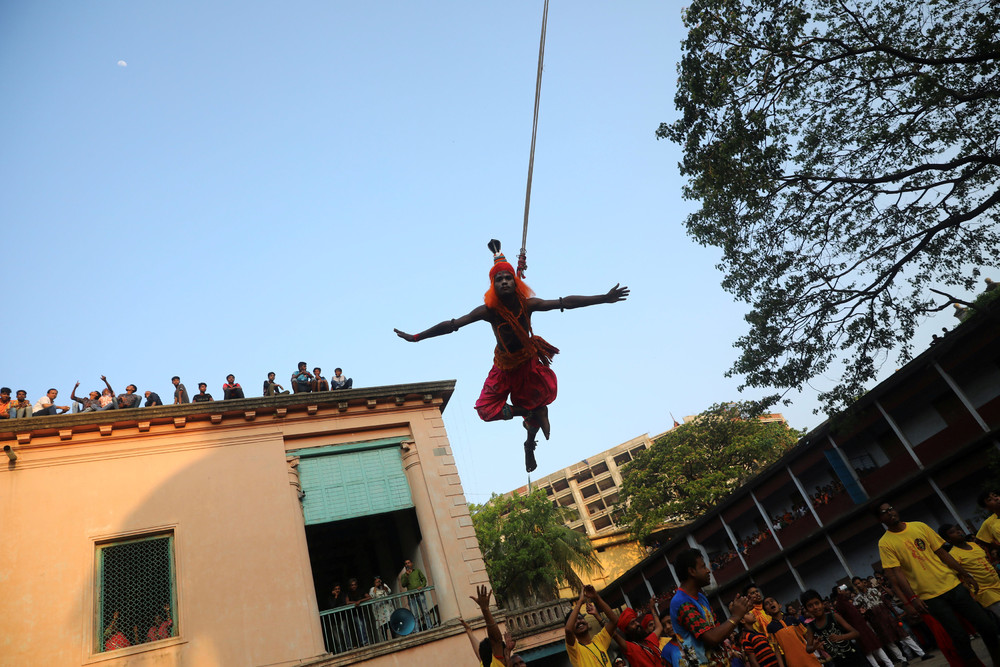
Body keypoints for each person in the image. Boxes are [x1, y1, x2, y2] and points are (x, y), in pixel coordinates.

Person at [395, 239, 629, 473]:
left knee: (536, 403)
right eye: (499, 279)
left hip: (527, 363)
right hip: (504, 367)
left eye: (508, 278)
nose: (505, 282)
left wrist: (603, 298)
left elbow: (564, 302)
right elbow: (452, 325)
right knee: (486, 410)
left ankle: (529, 444)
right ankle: (530, 412)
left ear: (514, 282)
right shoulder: (489, 312)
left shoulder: (527, 305)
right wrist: (417, 337)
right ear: (493, 285)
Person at [876, 501, 1000, 667]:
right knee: (959, 637)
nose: (890, 513)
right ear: (880, 519)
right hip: (931, 597)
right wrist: (911, 599)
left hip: (953, 585)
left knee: (987, 626)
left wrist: (965, 574)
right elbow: (896, 574)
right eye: (885, 512)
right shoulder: (885, 543)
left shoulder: (919, 526)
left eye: (891, 508)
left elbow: (942, 552)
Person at [670, 548, 750, 667]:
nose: (708, 571)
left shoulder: (701, 597)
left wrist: (735, 614)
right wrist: (736, 616)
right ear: (692, 571)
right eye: (703, 567)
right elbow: (712, 638)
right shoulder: (681, 602)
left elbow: (718, 631)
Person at [940, 523, 1000, 621]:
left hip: (997, 583)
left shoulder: (973, 545)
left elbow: (985, 561)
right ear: (948, 540)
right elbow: (958, 578)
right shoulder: (953, 555)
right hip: (985, 591)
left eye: (957, 529)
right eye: (953, 532)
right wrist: (971, 591)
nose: (958, 532)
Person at [831, 585, 891, 667]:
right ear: (838, 593)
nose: (844, 591)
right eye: (840, 590)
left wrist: (860, 612)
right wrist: (840, 595)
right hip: (857, 630)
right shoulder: (840, 603)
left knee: (877, 647)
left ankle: (890, 665)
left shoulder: (847, 601)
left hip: (864, 627)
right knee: (868, 651)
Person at [800, 589, 862, 667]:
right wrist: (814, 647)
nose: (815, 607)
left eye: (817, 603)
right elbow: (808, 648)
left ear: (822, 603)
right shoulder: (811, 626)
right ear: (806, 609)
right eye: (810, 606)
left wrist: (840, 637)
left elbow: (856, 633)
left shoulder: (833, 616)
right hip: (839, 663)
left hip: (854, 657)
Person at [565, 584, 619, 667]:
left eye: (580, 618)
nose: (579, 621)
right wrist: (580, 602)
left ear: (587, 623)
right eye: (575, 621)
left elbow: (614, 621)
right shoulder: (575, 650)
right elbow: (568, 630)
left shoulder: (599, 641)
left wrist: (596, 597)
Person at [762, 597, 819, 667]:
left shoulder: (792, 619)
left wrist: (819, 649)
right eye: (767, 604)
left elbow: (807, 637)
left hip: (808, 657)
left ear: (779, 605)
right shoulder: (770, 627)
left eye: (772, 601)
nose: (770, 603)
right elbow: (776, 650)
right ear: (766, 612)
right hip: (792, 662)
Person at [471, 585, 506, 667]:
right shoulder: (496, 664)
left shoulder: (483, 665)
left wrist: (469, 631)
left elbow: (478, 650)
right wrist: (485, 609)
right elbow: (496, 640)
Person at [399, 558, 432, 630]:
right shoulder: (404, 575)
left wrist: (422, 586)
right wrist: (407, 576)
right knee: (414, 614)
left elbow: (424, 580)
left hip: (420, 594)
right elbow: (403, 585)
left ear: (411, 563)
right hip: (411, 596)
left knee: (425, 611)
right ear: (405, 566)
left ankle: (429, 627)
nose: (407, 564)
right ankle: (416, 630)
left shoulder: (417, 571)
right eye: (406, 563)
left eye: (408, 563)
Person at [345, 577, 371, 646]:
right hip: (354, 613)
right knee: (360, 625)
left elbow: (369, 597)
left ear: (356, 585)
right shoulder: (348, 593)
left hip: (361, 611)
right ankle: (364, 641)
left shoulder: (361, 591)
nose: (353, 586)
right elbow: (347, 602)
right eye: (352, 585)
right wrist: (355, 602)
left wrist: (360, 601)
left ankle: (364, 641)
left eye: (354, 585)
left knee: (363, 625)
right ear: (350, 586)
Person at [369, 575, 392, 642]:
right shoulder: (372, 589)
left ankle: (394, 637)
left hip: (387, 609)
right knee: (383, 627)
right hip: (380, 611)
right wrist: (376, 586)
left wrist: (382, 585)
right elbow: (372, 596)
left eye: (379, 581)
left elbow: (389, 591)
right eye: (377, 582)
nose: (378, 583)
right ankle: (385, 640)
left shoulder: (384, 586)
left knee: (391, 624)